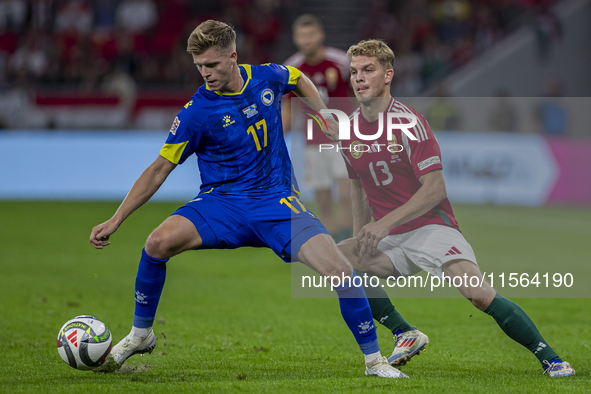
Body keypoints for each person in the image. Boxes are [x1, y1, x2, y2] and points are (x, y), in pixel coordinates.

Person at [89, 21, 406, 378]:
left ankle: (374, 362)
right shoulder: (196, 112)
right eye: (199, 66)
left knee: (341, 272)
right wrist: (116, 219)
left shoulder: (267, 77)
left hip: (276, 201)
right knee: (157, 243)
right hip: (221, 203)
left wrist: (320, 114)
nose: (205, 73)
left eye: (212, 65)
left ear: (233, 57)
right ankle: (140, 334)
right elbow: (160, 168)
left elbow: (298, 78)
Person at [332, 39, 574, 377]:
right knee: (336, 260)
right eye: (354, 71)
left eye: (368, 70)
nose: (359, 78)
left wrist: (383, 224)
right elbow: (358, 183)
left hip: (432, 226)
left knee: (477, 293)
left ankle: (552, 358)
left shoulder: (409, 123)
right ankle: (405, 333)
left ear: (388, 75)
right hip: (391, 237)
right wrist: (361, 232)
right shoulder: (348, 130)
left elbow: (435, 188)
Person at [283, 14, 353, 242]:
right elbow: (288, 109)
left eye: (310, 34)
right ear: (295, 38)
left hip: (343, 138)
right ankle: (337, 244)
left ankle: (351, 240)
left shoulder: (341, 62)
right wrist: (277, 139)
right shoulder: (291, 69)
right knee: (323, 199)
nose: (306, 40)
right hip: (313, 141)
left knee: (346, 194)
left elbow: (359, 95)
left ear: (320, 36)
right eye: (302, 36)